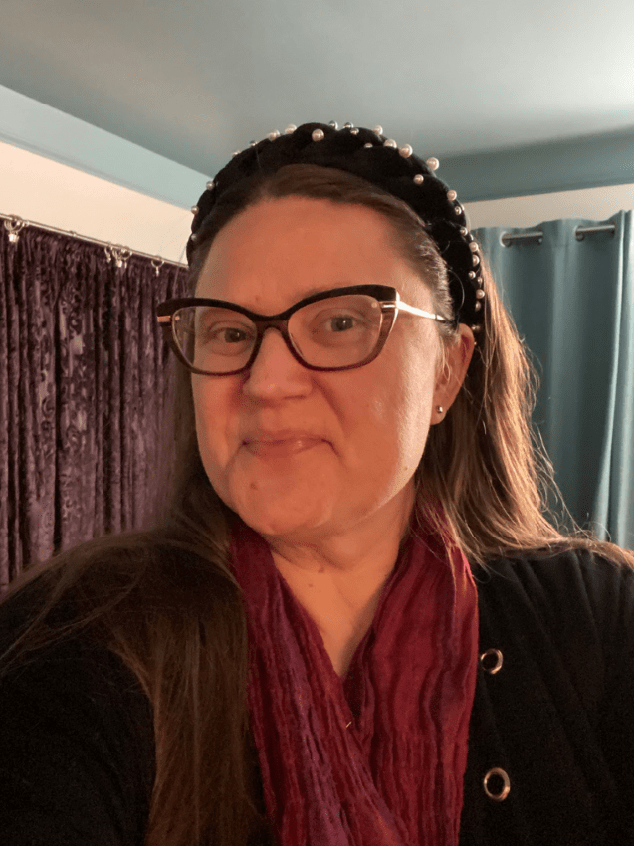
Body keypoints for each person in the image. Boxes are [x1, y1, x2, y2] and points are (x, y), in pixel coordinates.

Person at [0, 120, 633, 846]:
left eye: (340, 321)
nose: (266, 382)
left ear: (448, 372)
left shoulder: (595, 621)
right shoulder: (80, 638)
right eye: (231, 331)